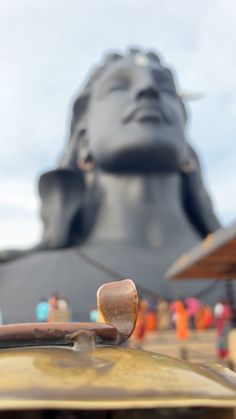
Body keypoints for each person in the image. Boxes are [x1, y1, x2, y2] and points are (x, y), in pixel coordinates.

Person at [0, 48, 222, 323]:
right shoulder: (9, 281)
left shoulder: (227, 271)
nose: (148, 89)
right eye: (118, 87)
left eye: (165, 88)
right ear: (83, 140)